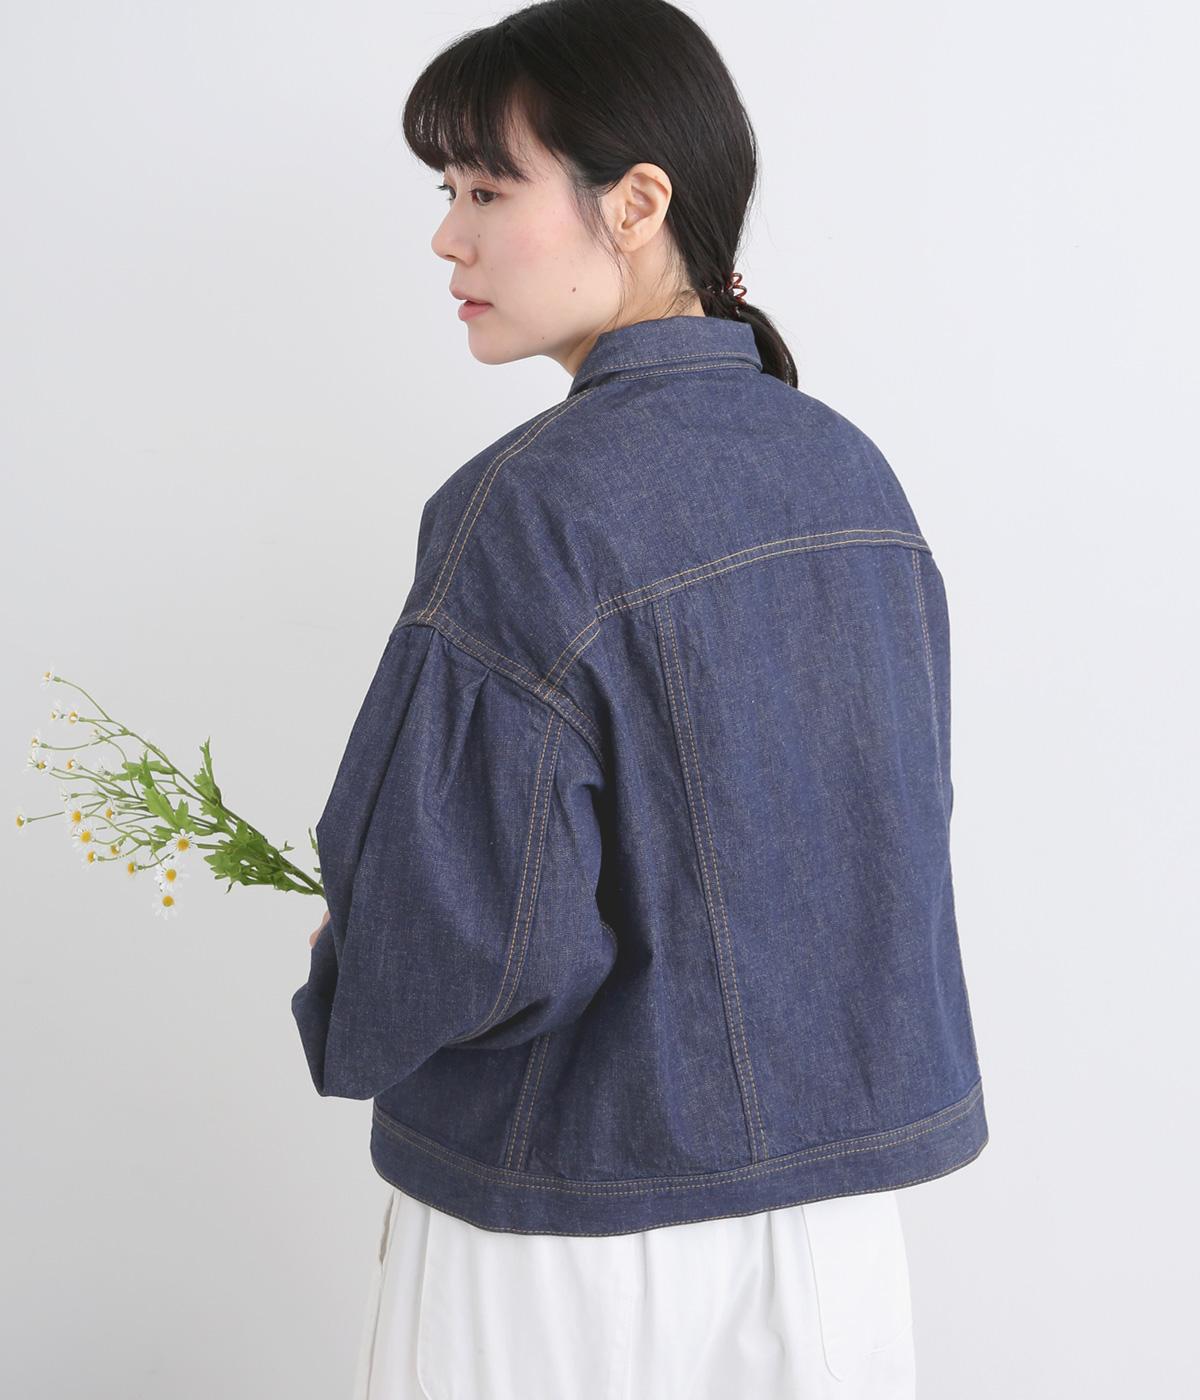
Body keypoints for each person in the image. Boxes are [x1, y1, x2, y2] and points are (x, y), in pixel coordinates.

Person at [293, 2, 988, 1396]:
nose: (448, 239)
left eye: (487, 191)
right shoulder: (852, 473)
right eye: (447, 193)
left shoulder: (528, 508)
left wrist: (348, 974)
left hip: (569, 1226)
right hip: (838, 1244)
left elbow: (469, 942)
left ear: (638, 202)